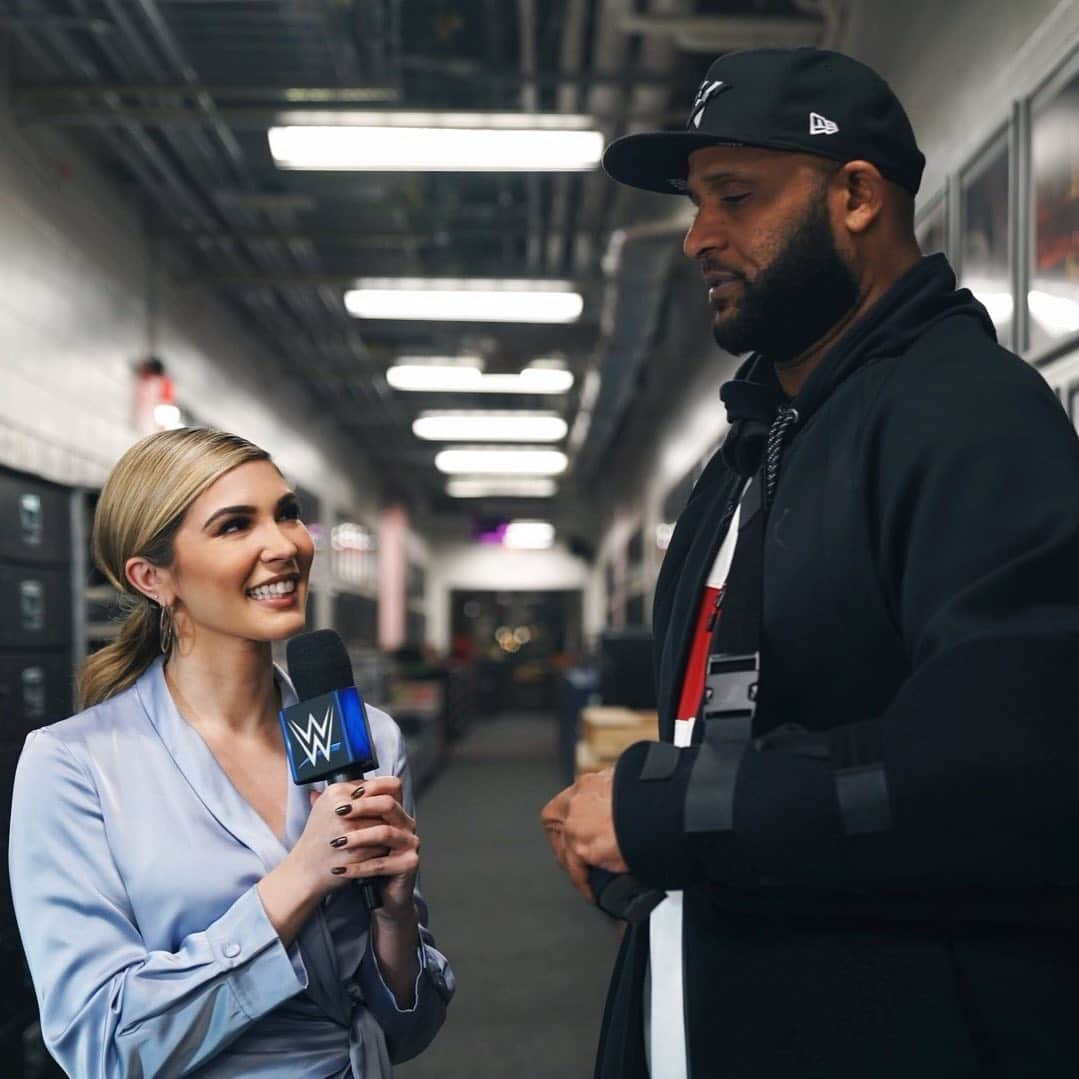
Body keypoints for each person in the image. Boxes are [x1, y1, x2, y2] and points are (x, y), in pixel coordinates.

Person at [541, 46, 1079, 1079]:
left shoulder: (971, 418)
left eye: (734, 197)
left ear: (855, 195)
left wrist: (660, 808)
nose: (698, 237)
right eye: (695, 205)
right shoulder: (748, 448)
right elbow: (745, 747)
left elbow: (1001, 774)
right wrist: (642, 840)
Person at [9, 427, 454, 1077]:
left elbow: (407, 1029)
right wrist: (298, 880)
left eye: (288, 514)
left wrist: (392, 918)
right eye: (234, 525)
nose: (284, 546)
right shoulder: (75, 766)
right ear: (152, 576)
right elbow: (98, 1047)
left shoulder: (368, 737)